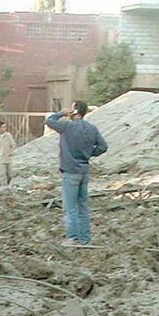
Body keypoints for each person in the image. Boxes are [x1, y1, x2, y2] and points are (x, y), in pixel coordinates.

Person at [46, 100, 108, 246]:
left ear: (74, 111)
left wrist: (62, 112)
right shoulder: (91, 128)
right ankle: (85, 239)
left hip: (70, 171)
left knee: (70, 208)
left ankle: (72, 238)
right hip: (84, 171)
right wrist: (88, 153)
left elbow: (49, 121)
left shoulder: (67, 126)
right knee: (83, 207)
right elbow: (103, 147)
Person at [0, 120, 17, 185]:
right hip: (0, 159)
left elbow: (13, 144)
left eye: (5, 127)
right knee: (2, 175)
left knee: (9, 175)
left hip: (8, 158)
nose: (4, 128)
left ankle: (8, 186)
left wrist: (11, 151)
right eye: (3, 127)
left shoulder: (8, 135)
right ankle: (4, 188)